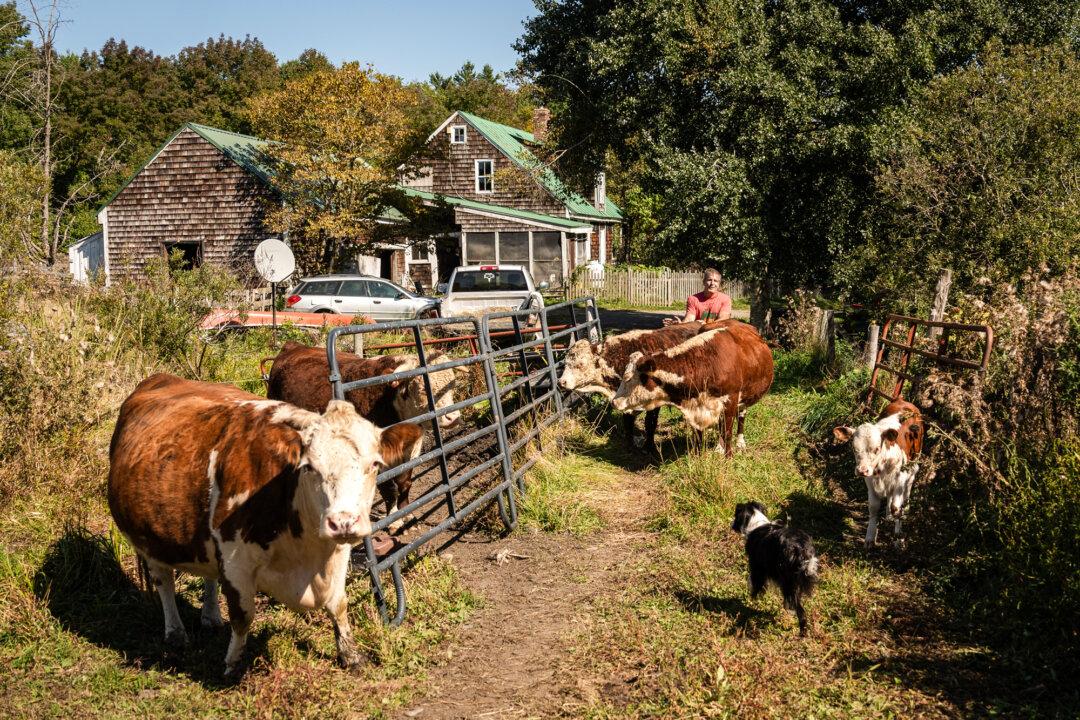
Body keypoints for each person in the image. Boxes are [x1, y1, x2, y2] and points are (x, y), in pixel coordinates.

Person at [664, 268, 732, 325]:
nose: (712, 283)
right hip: (698, 333)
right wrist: (680, 324)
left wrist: (706, 325)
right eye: (709, 280)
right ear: (704, 282)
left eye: (716, 281)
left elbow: (723, 319)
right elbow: (690, 318)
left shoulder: (725, 299)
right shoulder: (693, 299)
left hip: (716, 333)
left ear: (719, 284)